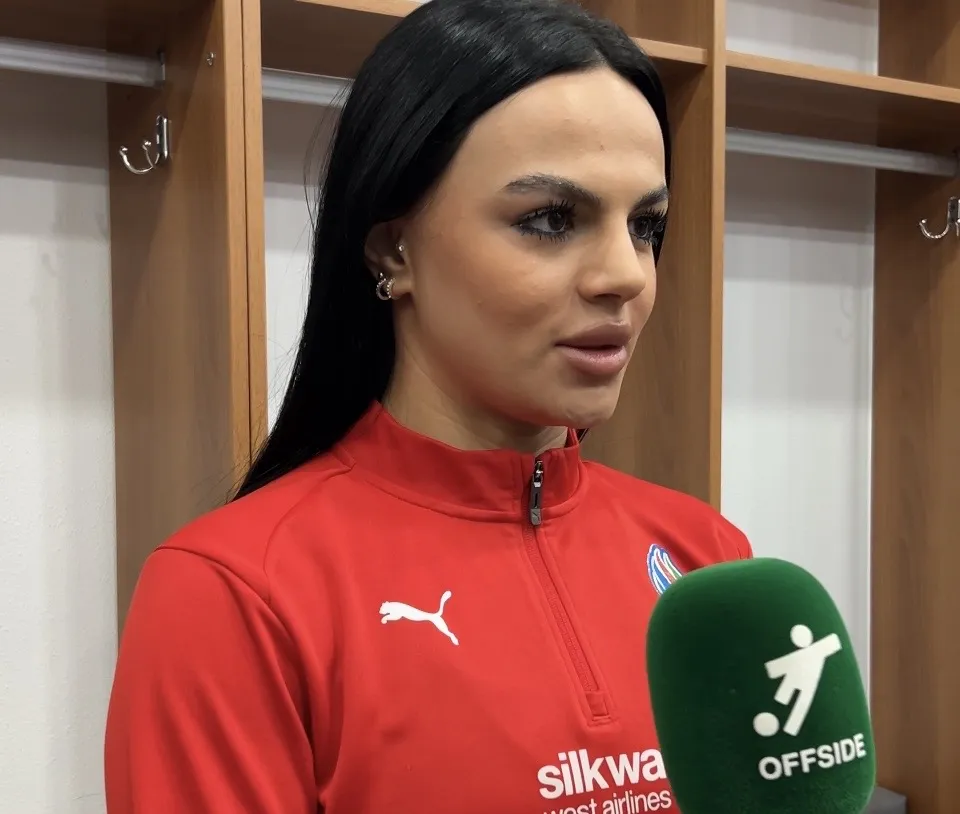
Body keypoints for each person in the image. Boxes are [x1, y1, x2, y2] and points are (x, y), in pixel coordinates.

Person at [104, 0, 752, 811]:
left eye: (646, 225)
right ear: (393, 249)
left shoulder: (708, 558)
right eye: (551, 219)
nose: (626, 274)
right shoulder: (234, 597)